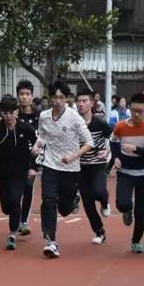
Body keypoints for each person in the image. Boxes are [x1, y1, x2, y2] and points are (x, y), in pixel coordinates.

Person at [31, 80, 93, 258]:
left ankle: (73, 200)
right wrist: (37, 145)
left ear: (66, 99)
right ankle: (51, 241)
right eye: (54, 97)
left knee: (64, 209)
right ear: (50, 98)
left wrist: (73, 156)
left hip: (70, 168)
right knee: (48, 200)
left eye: (61, 97)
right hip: (50, 165)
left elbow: (89, 142)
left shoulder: (74, 117)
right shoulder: (44, 116)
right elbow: (43, 135)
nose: (57, 101)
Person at [0, 95, 37, 250]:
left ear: (17, 112)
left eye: (11, 113)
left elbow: (37, 148)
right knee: (7, 207)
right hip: (3, 174)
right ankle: (16, 220)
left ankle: (12, 234)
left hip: (21, 173)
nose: (9, 116)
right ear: (1, 113)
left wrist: (33, 167)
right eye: (5, 113)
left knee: (15, 199)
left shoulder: (26, 128)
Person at [109, 93, 144, 254]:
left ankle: (136, 241)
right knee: (123, 204)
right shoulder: (120, 126)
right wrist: (116, 157)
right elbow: (113, 141)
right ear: (129, 108)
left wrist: (135, 148)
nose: (136, 114)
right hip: (126, 172)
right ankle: (127, 211)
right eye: (133, 110)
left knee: (142, 211)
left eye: (140, 111)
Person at [76, 89, 113, 244]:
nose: (81, 104)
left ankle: (104, 201)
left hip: (98, 164)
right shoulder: (74, 122)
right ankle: (99, 232)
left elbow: (114, 136)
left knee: (98, 191)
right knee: (87, 202)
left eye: (84, 101)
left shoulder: (100, 122)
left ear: (92, 103)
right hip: (80, 167)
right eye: (79, 101)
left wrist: (107, 151)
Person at [16, 80, 40, 236]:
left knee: (28, 187)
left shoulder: (38, 116)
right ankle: (15, 217)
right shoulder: (13, 114)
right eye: (22, 94)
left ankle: (23, 221)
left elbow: (42, 137)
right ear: (18, 96)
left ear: (31, 96)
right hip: (13, 157)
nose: (24, 97)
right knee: (14, 192)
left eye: (27, 94)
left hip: (32, 158)